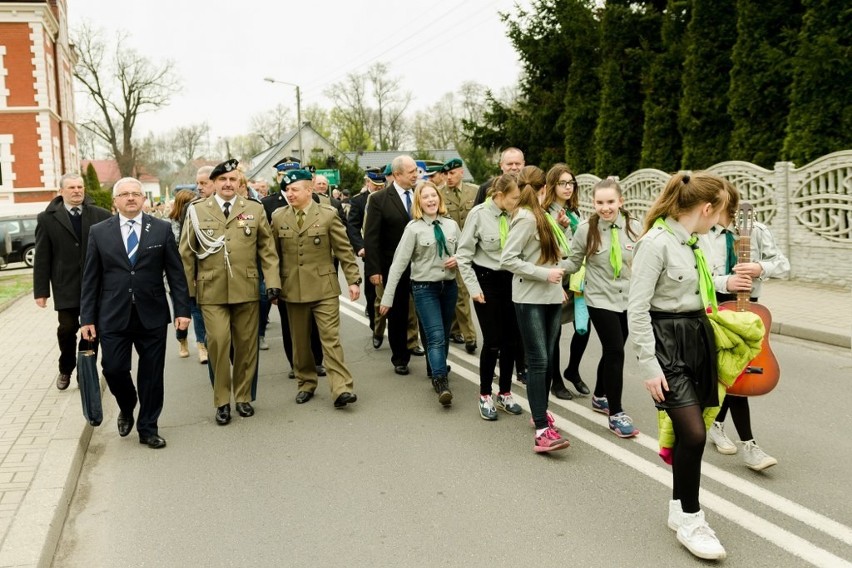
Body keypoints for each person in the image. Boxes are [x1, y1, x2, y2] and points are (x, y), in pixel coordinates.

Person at [628, 171, 729, 560]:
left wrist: (727, 282)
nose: (719, 218)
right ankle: (692, 519)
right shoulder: (655, 243)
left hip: (698, 336)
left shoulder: (693, 241)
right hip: (667, 342)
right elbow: (636, 308)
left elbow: (694, 286)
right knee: (694, 433)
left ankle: (677, 507)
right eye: (718, 211)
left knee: (695, 430)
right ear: (705, 209)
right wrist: (649, 365)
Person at [80, 177, 191, 449]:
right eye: (124, 194)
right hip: (112, 314)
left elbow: (176, 274)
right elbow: (90, 278)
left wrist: (182, 310)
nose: (131, 198)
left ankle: (148, 427)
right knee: (114, 368)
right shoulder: (99, 231)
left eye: (136, 194)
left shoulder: (161, 229)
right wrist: (87, 319)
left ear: (144, 199)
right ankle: (127, 405)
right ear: (115, 201)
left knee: (152, 374)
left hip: (152, 314)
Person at [179, 159, 281, 426]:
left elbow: (267, 251)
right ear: (213, 183)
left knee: (247, 347)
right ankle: (222, 401)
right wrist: (187, 292)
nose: (227, 184)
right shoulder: (197, 210)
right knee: (218, 343)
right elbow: (186, 254)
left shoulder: (254, 209)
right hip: (211, 291)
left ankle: (244, 397)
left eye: (232, 180)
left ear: (239, 183)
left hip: (246, 288)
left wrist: (272, 282)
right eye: (222, 180)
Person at [705, 180, 790, 471]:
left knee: (736, 374)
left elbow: (783, 263)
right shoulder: (705, 233)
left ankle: (716, 424)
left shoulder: (757, 230)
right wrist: (724, 281)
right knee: (732, 373)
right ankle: (749, 445)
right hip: (718, 306)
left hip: (749, 311)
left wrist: (760, 268)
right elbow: (697, 274)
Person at [271, 169, 361, 407]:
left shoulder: (328, 215)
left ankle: (341, 388)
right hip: (293, 289)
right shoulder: (279, 217)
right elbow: (273, 256)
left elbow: (344, 250)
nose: (289, 194)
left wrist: (353, 280)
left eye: (294, 190)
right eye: (287, 190)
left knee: (330, 339)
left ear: (309, 190)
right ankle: (306, 383)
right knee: (300, 343)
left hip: (324, 287)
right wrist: (272, 286)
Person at [562, 177, 642, 437]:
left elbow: (644, 263)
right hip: (599, 298)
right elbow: (573, 262)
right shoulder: (586, 229)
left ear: (620, 201)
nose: (605, 207)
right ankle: (616, 413)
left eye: (610, 202)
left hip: (628, 299)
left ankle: (599, 395)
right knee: (615, 349)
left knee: (613, 350)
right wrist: (549, 273)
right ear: (593, 203)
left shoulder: (635, 226)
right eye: (600, 202)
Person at [501, 166, 571, 453]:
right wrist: (545, 275)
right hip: (530, 297)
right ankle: (542, 429)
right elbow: (508, 258)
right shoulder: (527, 218)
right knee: (539, 360)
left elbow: (548, 253)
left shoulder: (544, 217)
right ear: (545, 189)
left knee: (548, 359)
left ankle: (539, 413)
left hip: (552, 296)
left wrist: (562, 229)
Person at [380, 181, 460, 406]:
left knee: (443, 335)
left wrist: (460, 259)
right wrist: (387, 297)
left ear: (439, 198)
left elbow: (466, 251)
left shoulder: (451, 226)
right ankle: (441, 381)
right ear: (419, 202)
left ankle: (436, 366)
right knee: (434, 336)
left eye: (434, 195)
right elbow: (398, 265)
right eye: (425, 197)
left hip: (449, 287)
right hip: (424, 288)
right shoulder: (413, 229)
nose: (431, 200)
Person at [33, 173, 111, 390]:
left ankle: (85, 372)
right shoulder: (47, 218)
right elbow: (41, 258)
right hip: (65, 285)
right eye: (72, 187)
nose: (77, 191)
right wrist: (41, 291)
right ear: (61, 191)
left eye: (80, 187)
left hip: (95, 286)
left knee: (91, 331)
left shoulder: (101, 215)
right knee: (67, 329)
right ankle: (65, 368)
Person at [456, 173, 524, 420]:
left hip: (513, 281)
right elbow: (463, 256)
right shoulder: (478, 215)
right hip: (487, 282)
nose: (518, 201)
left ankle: (504, 392)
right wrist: (474, 289)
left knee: (512, 341)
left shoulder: (517, 213)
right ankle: (485, 394)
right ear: (499, 196)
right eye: (514, 197)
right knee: (493, 340)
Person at [260, 160, 326, 379]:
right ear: (278, 177)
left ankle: (316, 361)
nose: (289, 183)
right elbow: (270, 249)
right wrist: (273, 282)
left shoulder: (313, 200)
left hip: (312, 276)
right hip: (287, 277)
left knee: (315, 324)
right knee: (290, 325)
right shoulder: (269, 205)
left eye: (294, 177)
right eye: (284, 176)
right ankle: (295, 362)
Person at [363, 155, 422, 375]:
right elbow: (372, 237)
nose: (416, 174)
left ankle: (421, 347)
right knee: (397, 312)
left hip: (422, 264)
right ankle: (400, 357)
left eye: (416, 170)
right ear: (397, 175)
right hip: (392, 265)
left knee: (423, 310)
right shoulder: (379, 199)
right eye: (411, 171)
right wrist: (374, 269)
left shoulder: (421, 195)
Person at [541, 164, 591, 400]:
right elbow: (547, 251)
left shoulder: (575, 213)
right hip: (556, 279)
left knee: (583, 328)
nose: (568, 187)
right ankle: (556, 381)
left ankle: (572, 369)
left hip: (578, 280)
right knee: (555, 333)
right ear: (552, 186)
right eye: (562, 183)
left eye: (571, 183)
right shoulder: (544, 215)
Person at [440, 158, 479, 354]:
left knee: (467, 293)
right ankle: (470, 337)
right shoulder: (440, 194)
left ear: (461, 172)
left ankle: (455, 329)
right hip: (455, 252)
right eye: (445, 174)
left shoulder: (475, 191)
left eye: (452, 173)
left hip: (477, 251)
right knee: (462, 294)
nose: (448, 177)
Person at [347, 167, 388, 348]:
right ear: (367, 182)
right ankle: (376, 329)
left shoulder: (390, 197)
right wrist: (360, 247)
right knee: (373, 296)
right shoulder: (358, 201)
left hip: (390, 251)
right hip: (371, 254)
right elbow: (353, 227)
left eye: (381, 185)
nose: (379, 188)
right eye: (375, 185)